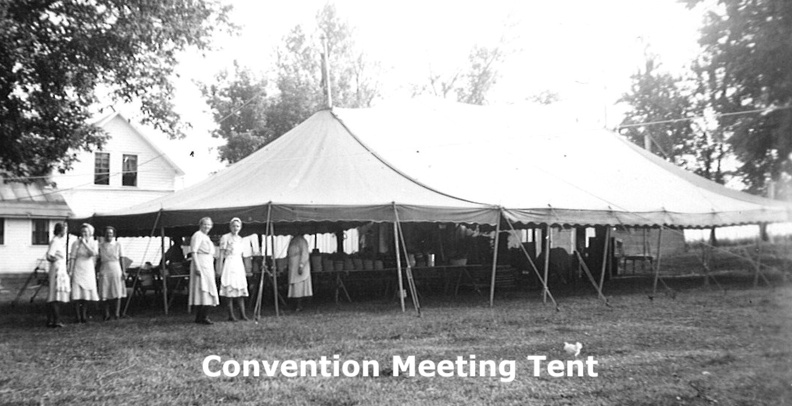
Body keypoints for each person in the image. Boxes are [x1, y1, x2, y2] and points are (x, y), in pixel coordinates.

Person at [189, 217, 219, 324]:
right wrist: (197, 266)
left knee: (208, 288)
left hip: (207, 264)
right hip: (201, 264)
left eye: (209, 225)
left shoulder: (205, 237)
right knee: (203, 289)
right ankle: (202, 317)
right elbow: (193, 252)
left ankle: (202, 316)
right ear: (200, 225)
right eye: (205, 224)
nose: (207, 227)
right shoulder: (197, 235)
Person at [218, 218, 249, 321]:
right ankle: (231, 315)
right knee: (229, 287)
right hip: (229, 263)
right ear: (230, 226)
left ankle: (242, 314)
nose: (235, 228)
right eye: (234, 226)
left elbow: (242, 254)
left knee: (240, 288)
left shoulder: (240, 239)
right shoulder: (225, 237)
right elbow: (221, 253)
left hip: (238, 263)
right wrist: (220, 267)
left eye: (237, 226)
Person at [69, 223, 99, 323]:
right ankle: (77, 316)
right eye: (82, 232)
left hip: (88, 267)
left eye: (85, 232)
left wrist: (85, 243)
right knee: (77, 293)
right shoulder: (75, 243)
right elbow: (72, 257)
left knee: (86, 294)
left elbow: (93, 253)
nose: (83, 233)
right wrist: (71, 270)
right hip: (78, 266)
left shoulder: (93, 242)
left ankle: (84, 315)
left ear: (90, 233)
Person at [97, 226, 126, 320]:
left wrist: (124, 271)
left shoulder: (118, 244)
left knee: (117, 291)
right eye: (107, 233)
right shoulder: (100, 245)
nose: (109, 235)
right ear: (104, 234)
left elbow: (122, 258)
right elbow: (98, 259)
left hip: (116, 268)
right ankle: (106, 314)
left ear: (113, 234)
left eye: (110, 233)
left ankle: (117, 313)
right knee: (105, 291)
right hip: (105, 267)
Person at [45, 222, 70, 328]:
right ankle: (56, 320)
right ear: (60, 231)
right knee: (55, 295)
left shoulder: (58, 241)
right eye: (64, 230)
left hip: (59, 268)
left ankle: (51, 320)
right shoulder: (55, 241)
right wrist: (56, 261)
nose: (65, 232)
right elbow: (49, 255)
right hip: (56, 269)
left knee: (55, 294)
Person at [287, 233, 312, 312]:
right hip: (292, 266)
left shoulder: (302, 241)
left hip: (299, 266)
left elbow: (305, 254)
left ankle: (300, 305)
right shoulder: (292, 240)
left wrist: (301, 265)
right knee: (294, 286)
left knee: (299, 286)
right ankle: (294, 304)